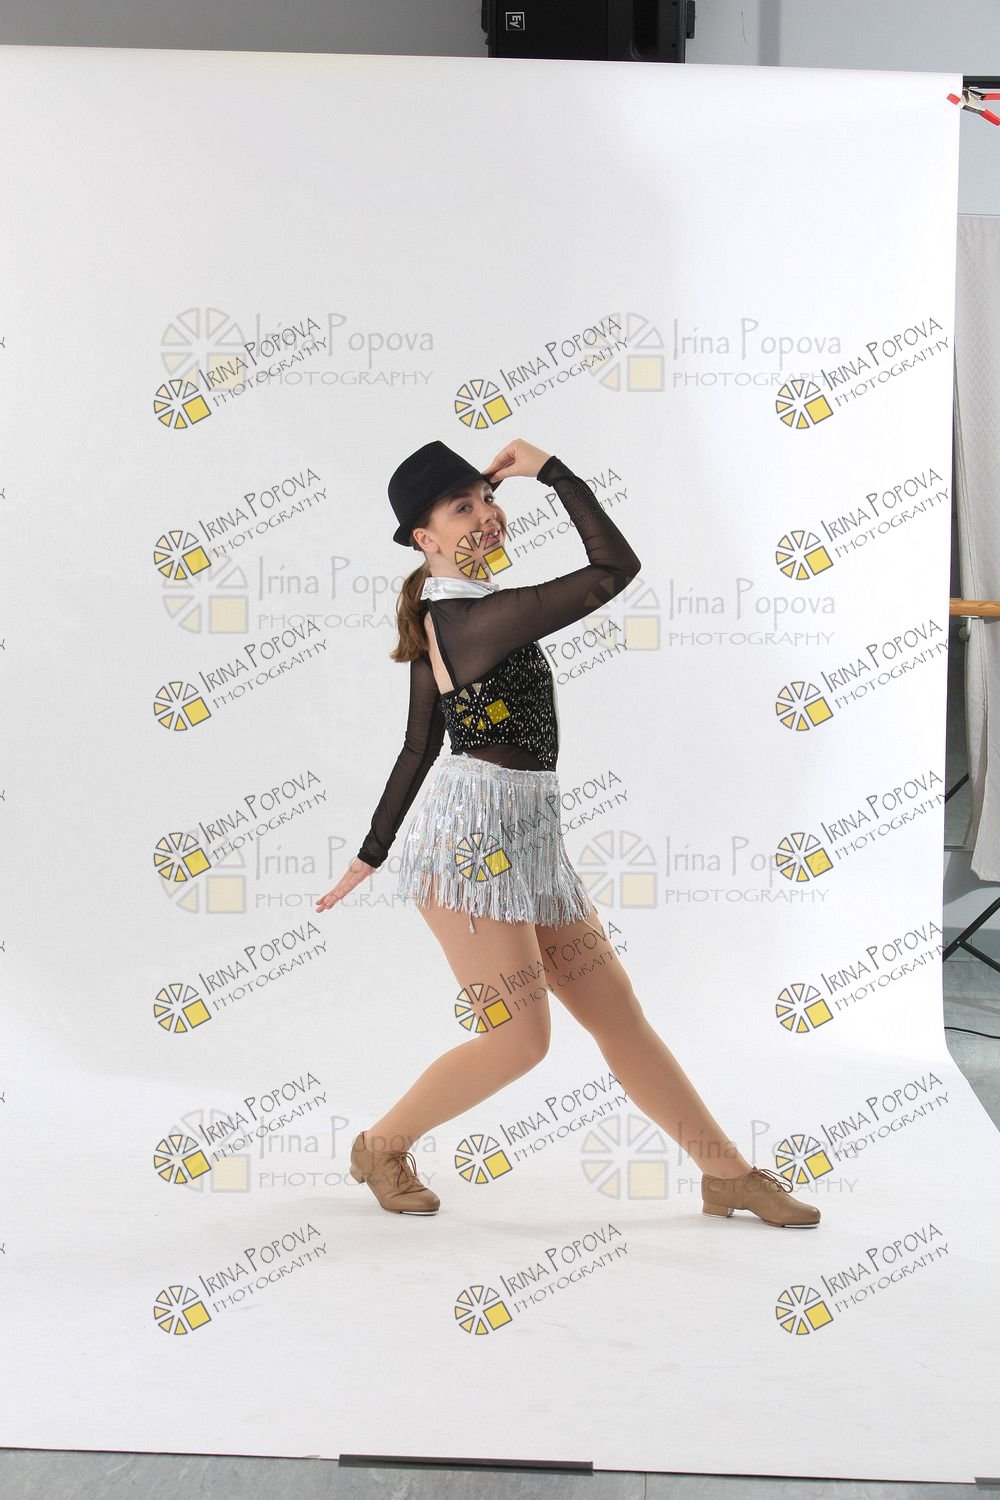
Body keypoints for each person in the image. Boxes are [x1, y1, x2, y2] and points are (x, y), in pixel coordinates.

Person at [315, 436, 820, 1231]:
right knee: (519, 1041)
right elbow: (613, 570)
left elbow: (419, 747)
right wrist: (552, 473)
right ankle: (381, 1146)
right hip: (470, 849)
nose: (487, 514)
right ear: (424, 538)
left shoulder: (456, 617)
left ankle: (728, 1177)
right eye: (463, 508)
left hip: (528, 841)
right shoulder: (475, 619)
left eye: (489, 498)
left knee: (616, 1013)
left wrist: (370, 852)